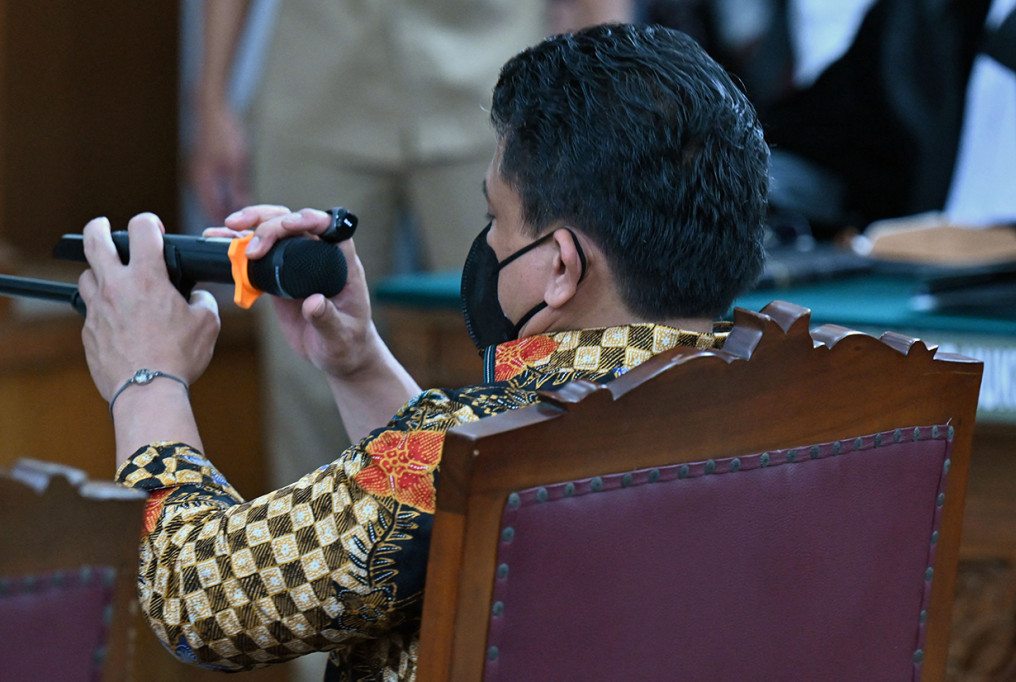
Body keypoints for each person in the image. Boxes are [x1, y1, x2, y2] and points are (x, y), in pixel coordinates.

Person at [78, 23, 768, 680]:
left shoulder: (483, 450)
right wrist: (357, 360)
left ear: (561, 267)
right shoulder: (782, 406)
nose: (490, 246)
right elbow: (451, 507)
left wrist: (148, 374)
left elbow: (195, 597)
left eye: (495, 218)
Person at [190, 0, 633, 494]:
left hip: (491, 77)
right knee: (306, 356)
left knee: (528, 341)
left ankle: (525, 549)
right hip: (318, 77)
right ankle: (320, 562)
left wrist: (603, 104)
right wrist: (210, 100)